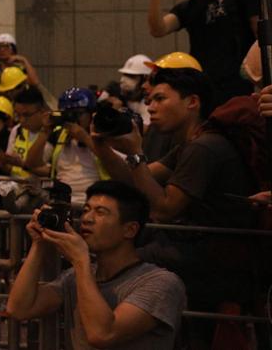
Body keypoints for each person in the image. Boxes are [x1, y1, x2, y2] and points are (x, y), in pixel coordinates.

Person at [90, 67, 259, 347]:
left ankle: (111, 332)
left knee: (117, 261)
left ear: (192, 102)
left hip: (215, 259)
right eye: (149, 101)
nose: (151, 107)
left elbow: (166, 208)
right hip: (198, 251)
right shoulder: (189, 145)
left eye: (160, 99)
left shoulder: (204, 147)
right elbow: (132, 179)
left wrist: (134, 153)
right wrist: (100, 145)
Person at [6, 181, 186, 350]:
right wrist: (40, 243)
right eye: (86, 210)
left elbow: (102, 334)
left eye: (100, 212)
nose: (87, 219)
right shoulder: (75, 276)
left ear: (130, 229)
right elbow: (19, 309)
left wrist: (80, 261)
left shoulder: (161, 283)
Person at [147, 0, 257, 103]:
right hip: (203, 88)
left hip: (240, 85)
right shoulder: (189, 6)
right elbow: (158, 29)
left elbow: (261, 36)